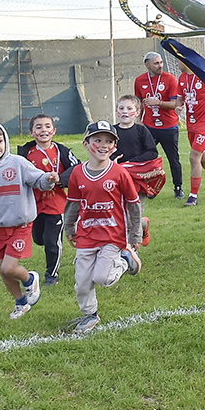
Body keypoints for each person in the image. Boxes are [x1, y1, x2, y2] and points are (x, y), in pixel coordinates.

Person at [0, 121, 59, 319]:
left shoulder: (17, 162)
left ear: (6, 141)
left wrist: (48, 179)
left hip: (20, 225)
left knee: (9, 267)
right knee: (3, 271)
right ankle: (21, 303)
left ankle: (29, 278)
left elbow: (38, 180)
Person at [61, 120, 143, 335]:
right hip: (87, 235)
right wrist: (69, 228)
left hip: (112, 235)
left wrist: (135, 233)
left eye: (109, 141)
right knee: (82, 282)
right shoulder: (78, 173)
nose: (103, 145)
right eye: (98, 140)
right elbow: (73, 204)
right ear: (86, 143)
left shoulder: (119, 173)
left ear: (115, 147)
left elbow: (133, 204)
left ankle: (125, 260)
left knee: (102, 277)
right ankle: (90, 314)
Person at [17, 113, 79, 286]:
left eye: (47, 126)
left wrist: (59, 179)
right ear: (31, 132)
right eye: (38, 127)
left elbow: (77, 167)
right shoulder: (25, 153)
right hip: (34, 205)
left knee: (52, 242)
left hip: (56, 205)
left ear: (54, 130)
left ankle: (52, 275)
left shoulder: (61, 151)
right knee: (39, 239)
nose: (43, 130)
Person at [134, 51, 184, 199]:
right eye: (156, 63)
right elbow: (138, 102)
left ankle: (178, 187)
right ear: (147, 65)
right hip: (149, 127)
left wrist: (159, 103)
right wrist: (138, 120)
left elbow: (175, 104)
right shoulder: (139, 80)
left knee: (173, 158)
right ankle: (148, 188)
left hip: (169, 126)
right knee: (145, 158)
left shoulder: (170, 79)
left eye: (161, 62)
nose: (160, 65)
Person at [112, 95, 167, 230]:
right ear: (117, 111)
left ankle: (134, 245)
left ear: (137, 113)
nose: (125, 111)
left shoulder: (141, 130)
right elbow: (105, 150)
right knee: (117, 216)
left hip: (137, 179)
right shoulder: (111, 131)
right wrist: (113, 159)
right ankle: (123, 244)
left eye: (129, 108)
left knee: (134, 216)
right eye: (121, 108)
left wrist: (132, 163)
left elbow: (152, 152)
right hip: (116, 178)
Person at [177, 65, 205, 205]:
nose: (177, 64)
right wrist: (178, 106)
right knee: (202, 157)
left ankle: (193, 197)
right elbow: (180, 98)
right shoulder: (182, 78)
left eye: (179, 60)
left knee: (194, 156)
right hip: (192, 124)